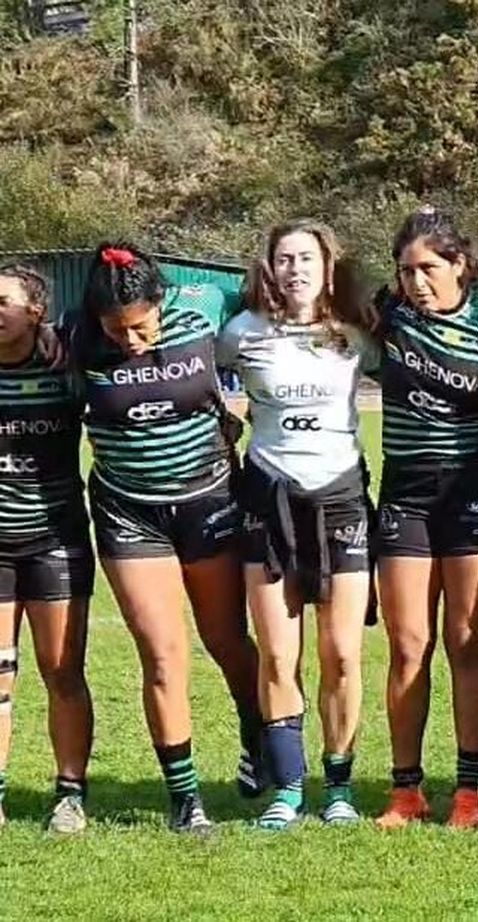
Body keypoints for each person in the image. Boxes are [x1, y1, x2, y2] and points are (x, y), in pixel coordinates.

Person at [67, 243, 264, 834]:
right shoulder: (75, 338)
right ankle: (186, 798)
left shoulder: (203, 305)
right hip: (131, 514)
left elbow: (270, 294)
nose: (130, 340)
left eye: (141, 326)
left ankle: (257, 738)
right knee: (162, 654)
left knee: (228, 640)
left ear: (162, 302)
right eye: (117, 331)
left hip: (208, 500)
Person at [218, 220, 379, 828]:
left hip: (341, 501)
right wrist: (222, 428)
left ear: (327, 266)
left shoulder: (357, 338)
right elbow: (195, 378)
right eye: (284, 259)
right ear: (269, 268)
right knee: (279, 657)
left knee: (341, 655)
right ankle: (289, 785)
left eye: (306, 258)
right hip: (268, 501)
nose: (295, 270)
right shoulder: (241, 334)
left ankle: (338, 784)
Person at [372, 209, 478, 830]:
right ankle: (406, 791)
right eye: (406, 271)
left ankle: (468, 792)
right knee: (407, 646)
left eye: (429, 268)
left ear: (460, 266)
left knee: (465, 640)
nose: (417, 282)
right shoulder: (386, 317)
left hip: (477, 490)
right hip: (406, 489)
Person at [0, 263, 94, 833]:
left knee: (62, 672)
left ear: (36, 311)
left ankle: (70, 795)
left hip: (56, 539)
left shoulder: (66, 364)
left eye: (4, 302)